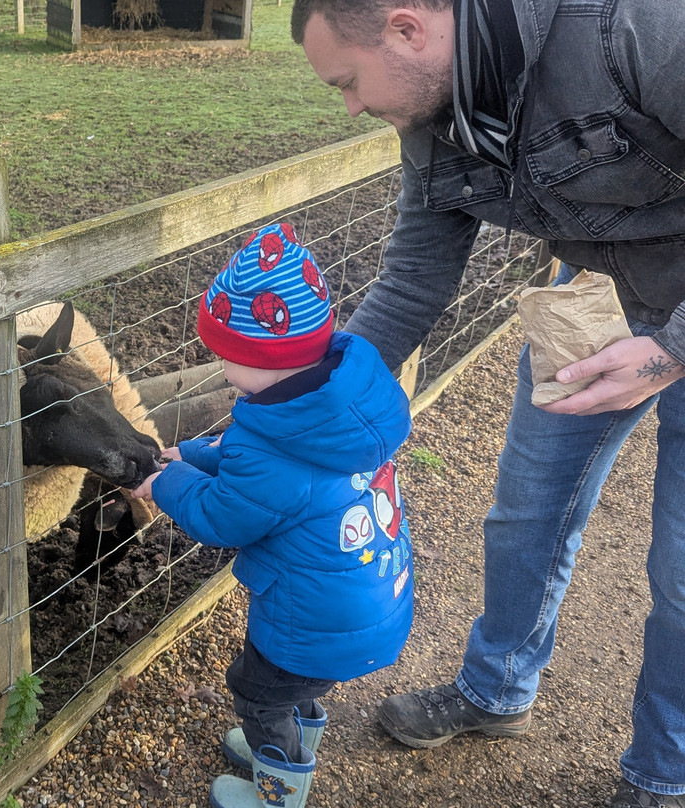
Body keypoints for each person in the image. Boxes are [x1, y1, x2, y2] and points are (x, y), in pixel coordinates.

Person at [289, 1, 685, 806]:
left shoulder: (633, 26)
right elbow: (410, 283)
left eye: (348, 82)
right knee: (526, 511)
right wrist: (300, 411)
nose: (351, 107)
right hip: (595, 305)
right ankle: (496, 688)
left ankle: (663, 771)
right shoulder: (435, 118)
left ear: (406, 28)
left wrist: (673, 348)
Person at [131, 223, 415, 808]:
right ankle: (296, 738)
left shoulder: (274, 445)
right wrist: (192, 454)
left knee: (257, 692)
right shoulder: (320, 407)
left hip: (310, 619)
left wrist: (165, 481)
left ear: (267, 359)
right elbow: (251, 463)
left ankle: (280, 789)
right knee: (296, 687)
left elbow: (222, 517)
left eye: (227, 357)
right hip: (367, 598)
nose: (221, 368)